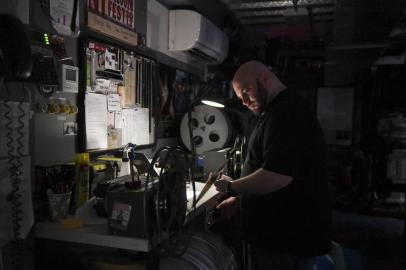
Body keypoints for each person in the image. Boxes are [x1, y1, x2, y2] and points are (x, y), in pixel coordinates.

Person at [214, 60, 332, 270]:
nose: (243, 101)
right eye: (240, 97)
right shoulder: (274, 111)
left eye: (246, 91)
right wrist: (239, 201)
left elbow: (276, 176)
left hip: (287, 241)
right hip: (278, 238)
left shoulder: (286, 113)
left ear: (265, 78)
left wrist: (232, 186)